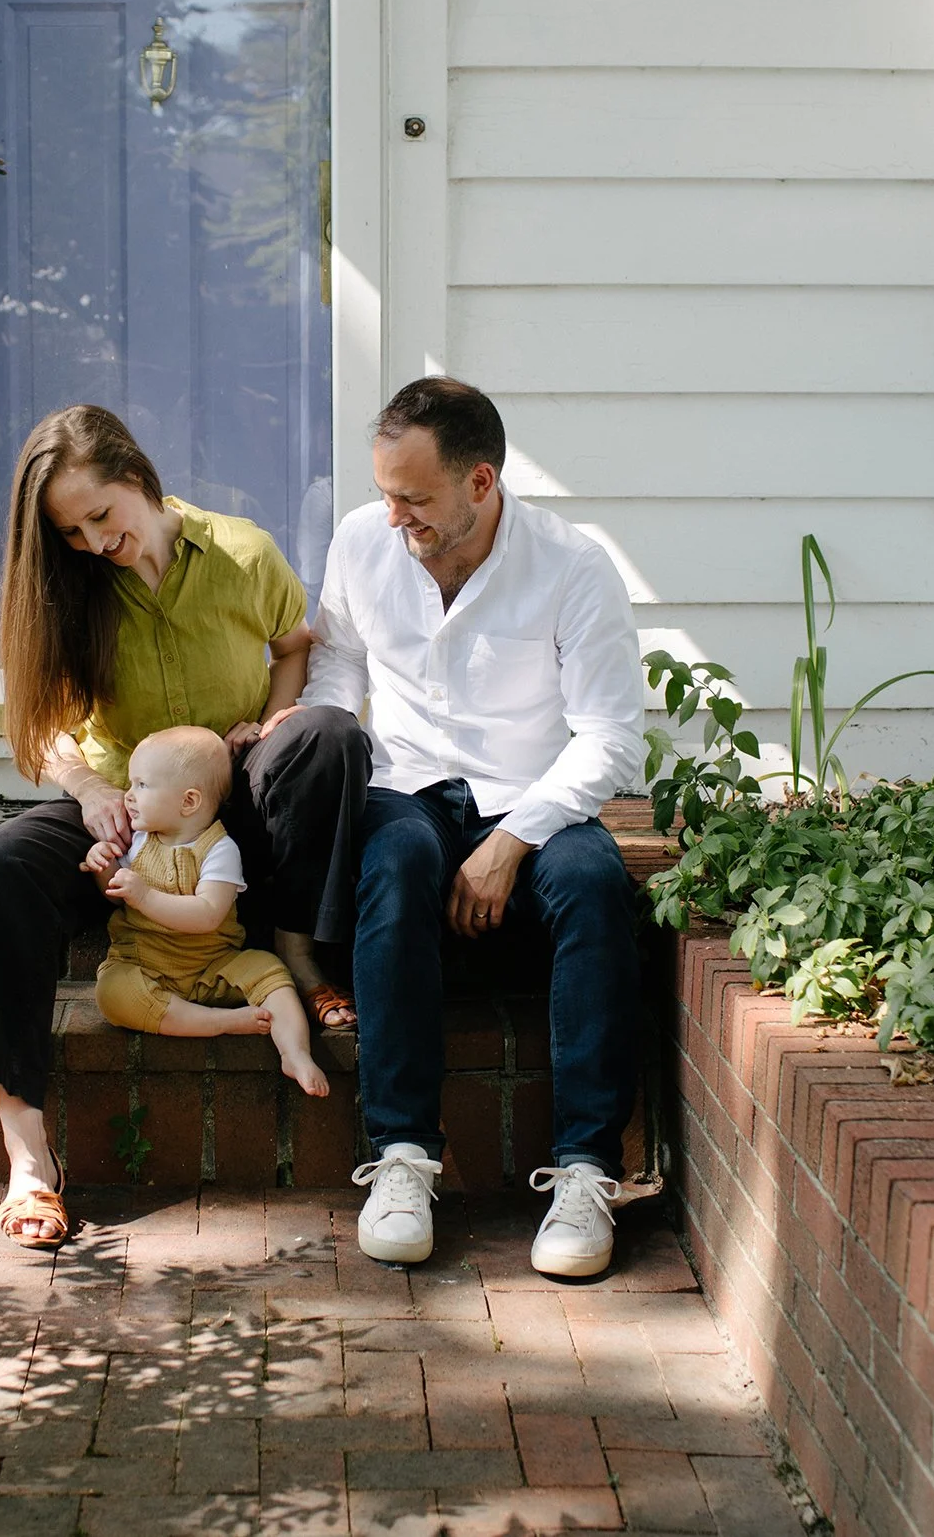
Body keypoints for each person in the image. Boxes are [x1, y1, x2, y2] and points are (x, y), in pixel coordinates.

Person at [0, 404, 370, 1252]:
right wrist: (89, 788)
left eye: (102, 516)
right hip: (126, 808)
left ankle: (298, 953)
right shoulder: (71, 590)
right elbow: (49, 731)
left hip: (233, 806)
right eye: (70, 531)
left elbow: (295, 643)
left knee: (328, 737)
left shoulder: (243, 551)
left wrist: (276, 713)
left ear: (139, 478)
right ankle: (29, 1157)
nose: (93, 543)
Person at [300, 376, 648, 1279]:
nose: (392, 518)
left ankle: (585, 1172)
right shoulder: (360, 543)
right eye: (384, 493)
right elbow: (337, 666)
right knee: (396, 860)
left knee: (593, 884)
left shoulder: (574, 567)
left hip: (529, 794)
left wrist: (513, 838)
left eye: (413, 499)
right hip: (406, 784)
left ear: (481, 483)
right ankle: (403, 1157)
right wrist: (314, 731)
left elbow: (610, 735)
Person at [86, 725, 332, 1098]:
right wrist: (102, 867)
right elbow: (115, 895)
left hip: (212, 964)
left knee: (272, 976)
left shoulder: (219, 849)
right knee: (112, 992)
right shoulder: (136, 841)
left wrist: (145, 896)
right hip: (143, 962)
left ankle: (294, 1051)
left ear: (189, 801)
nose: (128, 796)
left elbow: (207, 914)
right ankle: (220, 1022)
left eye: (141, 786)